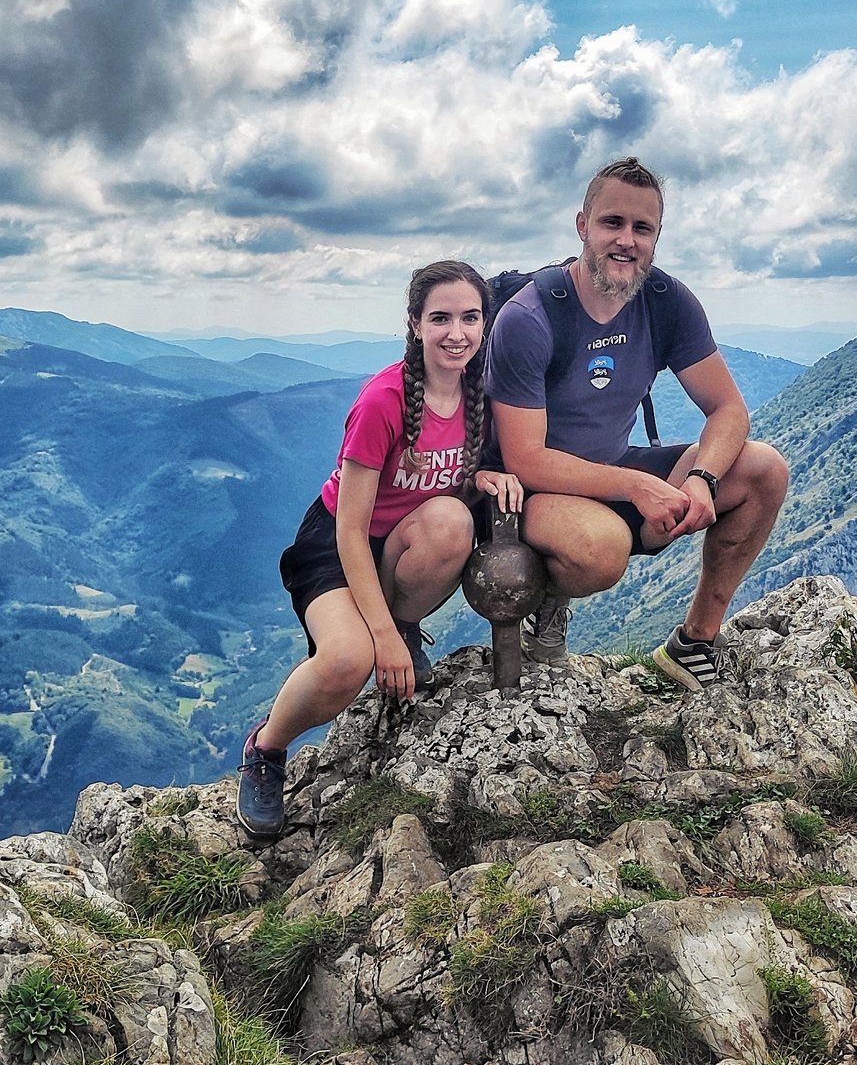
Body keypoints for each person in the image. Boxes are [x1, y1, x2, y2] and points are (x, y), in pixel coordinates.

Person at [236, 260, 524, 839]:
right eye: (440, 318)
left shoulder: (480, 395)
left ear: (485, 324)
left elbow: (438, 485)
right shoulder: (383, 401)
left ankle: (401, 624)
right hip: (336, 545)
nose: (456, 333)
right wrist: (383, 639)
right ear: (415, 324)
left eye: (470, 318)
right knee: (348, 661)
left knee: (451, 521)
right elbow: (349, 529)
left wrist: (485, 477)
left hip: (399, 543)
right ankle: (266, 748)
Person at [486, 156, 789, 688]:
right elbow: (525, 459)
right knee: (603, 551)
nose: (626, 240)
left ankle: (694, 643)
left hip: (614, 470)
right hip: (533, 493)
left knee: (764, 469)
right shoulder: (530, 318)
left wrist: (702, 480)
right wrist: (635, 485)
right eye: (612, 222)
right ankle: (549, 600)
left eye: (642, 228)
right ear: (583, 225)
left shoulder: (665, 302)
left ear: (657, 237)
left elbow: (728, 410)